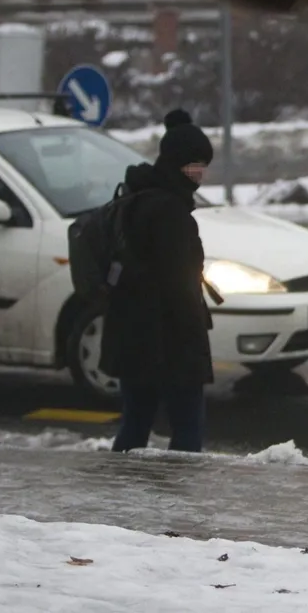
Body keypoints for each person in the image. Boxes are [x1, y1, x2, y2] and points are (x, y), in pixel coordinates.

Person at [102, 109, 215, 453]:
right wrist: (194, 334)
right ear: (178, 163)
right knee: (187, 428)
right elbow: (177, 282)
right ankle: (178, 499)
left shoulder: (136, 195)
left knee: (135, 422)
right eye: (195, 166)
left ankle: (121, 491)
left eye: (203, 166)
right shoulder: (169, 212)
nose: (200, 175)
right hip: (168, 339)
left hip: (132, 332)